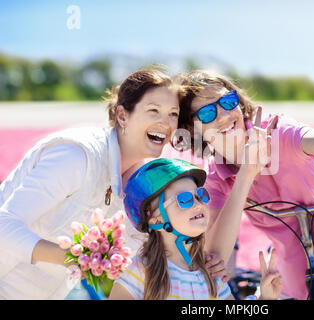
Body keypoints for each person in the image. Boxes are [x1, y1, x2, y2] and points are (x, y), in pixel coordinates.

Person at [0, 69, 226, 299]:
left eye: (172, 114)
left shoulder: (137, 187)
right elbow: (3, 224)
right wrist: (76, 258)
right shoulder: (77, 155)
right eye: (153, 110)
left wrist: (204, 261)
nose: (165, 122)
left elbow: (157, 247)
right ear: (122, 115)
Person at [174, 70, 314, 300]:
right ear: (191, 130)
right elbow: (216, 255)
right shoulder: (217, 174)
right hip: (291, 277)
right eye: (207, 113)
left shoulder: (278, 133)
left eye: (228, 101)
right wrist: (246, 173)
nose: (225, 114)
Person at [109, 158, 282, 300]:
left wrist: (265, 298)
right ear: (157, 220)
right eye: (184, 200)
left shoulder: (211, 277)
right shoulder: (141, 273)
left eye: (200, 195)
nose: (198, 204)